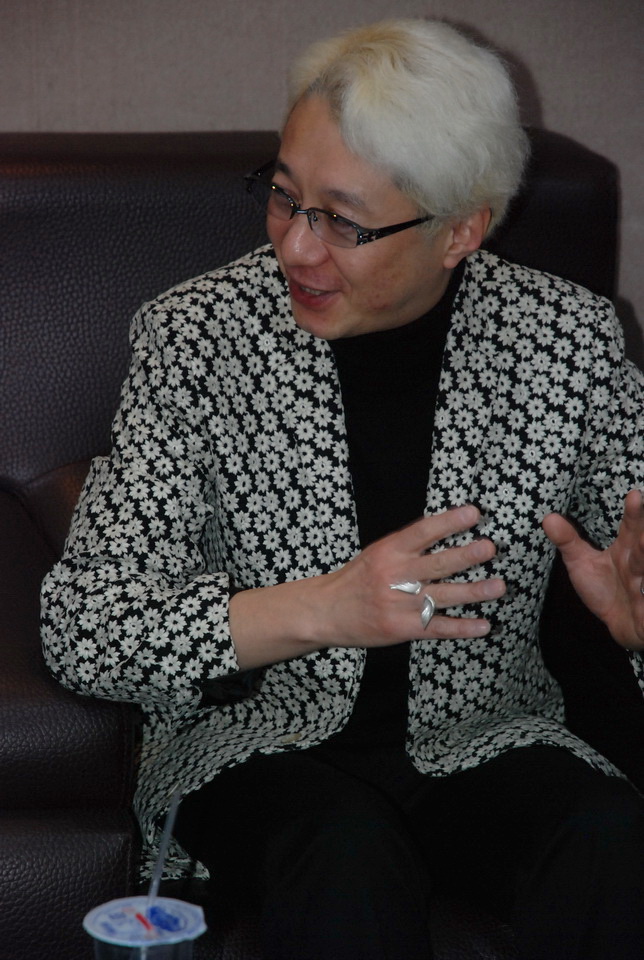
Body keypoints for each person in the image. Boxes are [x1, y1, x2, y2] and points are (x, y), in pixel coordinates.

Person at [41, 18, 644, 960]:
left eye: (345, 222)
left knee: (613, 838)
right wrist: (325, 608)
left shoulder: (565, 340)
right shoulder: (198, 338)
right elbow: (86, 629)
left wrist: (638, 627)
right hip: (256, 748)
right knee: (344, 854)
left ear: (461, 230)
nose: (296, 248)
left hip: (485, 736)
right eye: (285, 197)